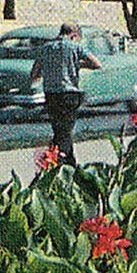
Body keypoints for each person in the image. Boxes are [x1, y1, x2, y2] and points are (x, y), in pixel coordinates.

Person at [30, 23, 103, 167]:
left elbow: (34, 74)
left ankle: (69, 164)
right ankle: (60, 163)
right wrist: (78, 65)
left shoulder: (45, 48)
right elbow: (96, 63)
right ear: (74, 34)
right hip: (70, 94)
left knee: (59, 130)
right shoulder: (75, 47)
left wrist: (49, 70)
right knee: (65, 131)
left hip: (51, 94)